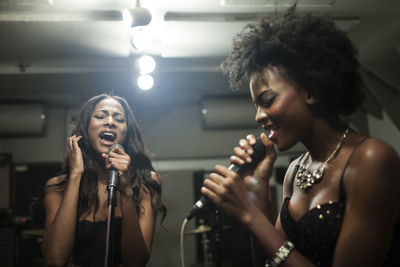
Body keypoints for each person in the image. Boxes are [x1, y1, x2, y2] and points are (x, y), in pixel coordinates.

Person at [200, 5, 400, 267]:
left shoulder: (372, 159)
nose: (259, 116)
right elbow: (269, 262)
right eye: (256, 105)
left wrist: (249, 215)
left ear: (311, 91)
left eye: (268, 100)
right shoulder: (296, 170)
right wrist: (258, 187)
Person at [41, 94, 166, 267]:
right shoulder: (58, 187)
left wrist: (127, 191)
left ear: (126, 132)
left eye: (119, 119)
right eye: (100, 116)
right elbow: (55, 259)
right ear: (86, 128)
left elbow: (136, 262)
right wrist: (76, 175)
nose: (110, 122)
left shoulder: (146, 182)